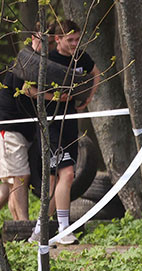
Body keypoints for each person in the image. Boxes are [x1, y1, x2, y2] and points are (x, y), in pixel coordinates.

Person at [30, 19, 100, 245]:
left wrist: (88, 98)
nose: (74, 43)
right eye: (70, 39)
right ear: (57, 39)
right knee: (64, 175)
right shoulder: (47, 60)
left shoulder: (81, 57)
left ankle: (40, 230)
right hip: (49, 125)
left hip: (70, 123)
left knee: (57, 179)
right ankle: (62, 229)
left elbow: (96, 73)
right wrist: (55, 97)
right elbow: (27, 88)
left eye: (77, 39)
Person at [0, 31, 45, 221]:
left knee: (7, 187)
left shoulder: (42, 64)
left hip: (25, 131)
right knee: (21, 177)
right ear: (33, 38)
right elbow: (26, 90)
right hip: (10, 129)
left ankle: (18, 229)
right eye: (42, 39)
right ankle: (24, 225)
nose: (45, 44)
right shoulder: (24, 61)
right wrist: (53, 95)